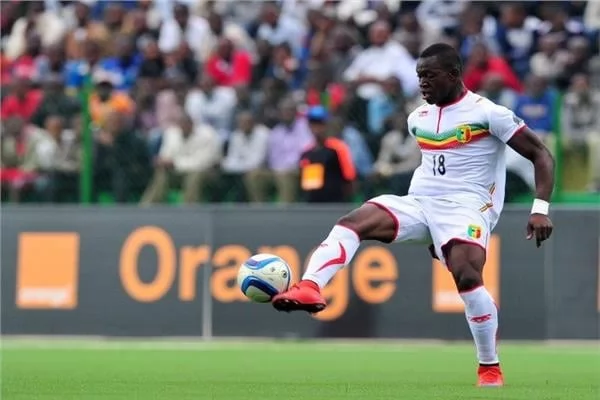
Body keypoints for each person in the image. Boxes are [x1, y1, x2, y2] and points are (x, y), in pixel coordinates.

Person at [272, 43, 555, 387]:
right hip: (421, 202)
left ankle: (489, 367)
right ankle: (310, 286)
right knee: (354, 222)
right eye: (419, 76)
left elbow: (541, 155)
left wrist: (540, 209)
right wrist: (431, 229)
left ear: (453, 74)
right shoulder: (417, 118)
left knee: (467, 276)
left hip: (467, 207)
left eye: (430, 76)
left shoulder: (488, 113)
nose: (422, 83)